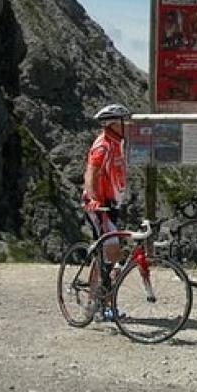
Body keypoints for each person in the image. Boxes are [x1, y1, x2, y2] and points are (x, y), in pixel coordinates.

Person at [82, 103, 131, 319]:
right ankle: (105, 306)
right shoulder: (103, 145)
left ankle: (94, 302)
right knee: (111, 255)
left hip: (111, 205)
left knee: (104, 257)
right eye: (124, 121)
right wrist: (93, 199)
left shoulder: (116, 142)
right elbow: (90, 172)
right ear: (114, 123)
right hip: (99, 206)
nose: (127, 125)